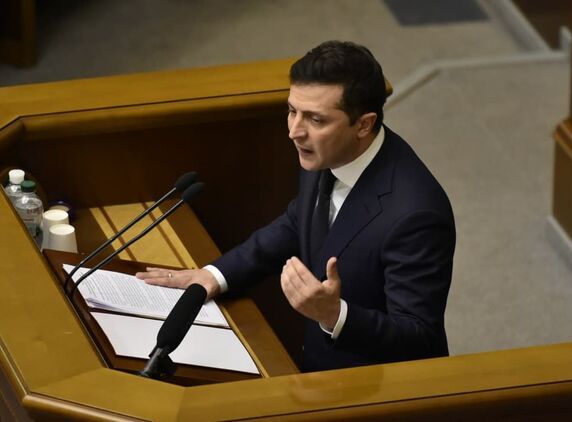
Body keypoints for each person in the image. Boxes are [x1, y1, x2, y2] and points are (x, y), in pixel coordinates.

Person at [136, 40, 456, 372]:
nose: (294, 131)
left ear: (364, 124)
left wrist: (336, 315)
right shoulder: (327, 152)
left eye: (315, 119)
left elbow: (419, 338)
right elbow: (298, 221)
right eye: (292, 111)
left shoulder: (416, 214)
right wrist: (215, 275)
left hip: (373, 384)